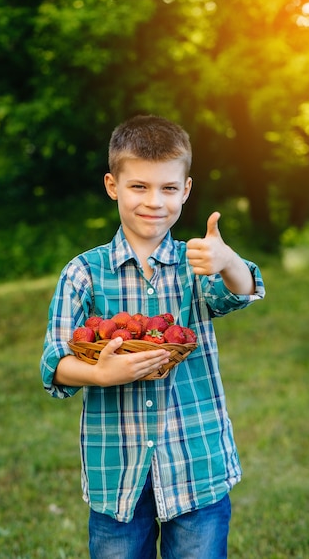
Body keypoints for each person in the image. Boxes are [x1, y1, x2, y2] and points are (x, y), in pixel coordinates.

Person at [40, 114, 265, 559]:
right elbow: (54, 360)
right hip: (117, 472)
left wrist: (228, 259)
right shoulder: (83, 272)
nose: (154, 202)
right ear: (112, 185)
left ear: (185, 190)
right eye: (138, 187)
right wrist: (100, 374)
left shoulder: (196, 263)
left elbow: (239, 292)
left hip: (195, 463)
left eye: (167, 188)